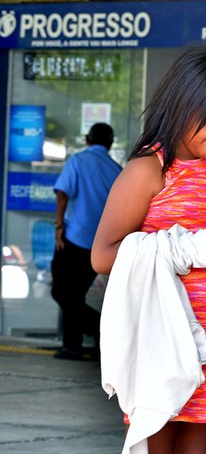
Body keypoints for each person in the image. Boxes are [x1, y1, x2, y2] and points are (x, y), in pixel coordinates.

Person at [91, 45, 206, 454]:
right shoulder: (148, 170)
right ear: (179, 105)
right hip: (162, 338)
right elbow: (102, 255)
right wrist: (188, 247)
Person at [51, 122, 122, 361]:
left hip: (73, 239)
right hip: (100, 245)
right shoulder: (116, 170)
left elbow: (62, 193)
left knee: (62, 292)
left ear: (87, 139)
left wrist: (59, 226)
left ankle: (102, 333)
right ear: (110, 144)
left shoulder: (77, 161)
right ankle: (73, 346)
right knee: (74, 295)